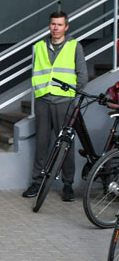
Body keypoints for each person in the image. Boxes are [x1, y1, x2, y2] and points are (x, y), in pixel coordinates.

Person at [23, 11, 87, 202]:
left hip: (64, 102)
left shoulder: (75, 46)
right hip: (43, 100)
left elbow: (82, 76)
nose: (56, 28)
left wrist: (71, 95)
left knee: (66, 144)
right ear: (49, 26)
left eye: (60, 24)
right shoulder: (39, 47)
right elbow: (36, 72)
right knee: (41, 143)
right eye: (53, 24)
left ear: (66, 27)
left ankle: (68, 185)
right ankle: (36, 182)